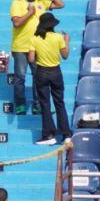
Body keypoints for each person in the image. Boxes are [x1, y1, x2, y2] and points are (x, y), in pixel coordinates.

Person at [29, 12, 71, 145]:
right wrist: (67, 42)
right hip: (56, 72)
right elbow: (65, 56)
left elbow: (31, 59)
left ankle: (49, 135)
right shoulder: (58, 37)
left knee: (45, 104)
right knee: (59, 102)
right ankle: (66, 134)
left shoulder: (34, 39)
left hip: (41, 72)